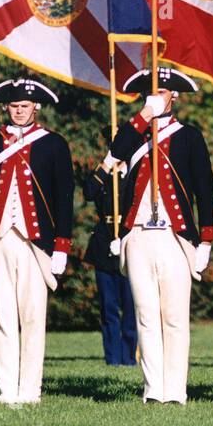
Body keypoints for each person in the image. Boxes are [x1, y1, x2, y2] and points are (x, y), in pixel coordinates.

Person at [0, 76, 74, 405]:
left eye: (25, 106)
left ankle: (30, 390)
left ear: (36, 107)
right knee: (3, 316)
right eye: (14, 106)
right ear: (5, 108)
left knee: (34, 317)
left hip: (36, 243)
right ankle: (7, 389)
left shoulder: (53, 144)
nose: (19, 111)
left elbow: (64, 197)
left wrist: (62, 245)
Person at [110, 67, 213, 405]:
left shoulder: (189, 136)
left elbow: (204, 189)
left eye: (163, 93)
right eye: (151, 93)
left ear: (176, 97)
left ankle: (176, 389)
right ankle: (153, 389)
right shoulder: (135, 133)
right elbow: (115, 152)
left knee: (173, 316)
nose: (157, 97)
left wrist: (207, 239)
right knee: (145, 314)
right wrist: (144, 115)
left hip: (174, 234)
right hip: (139, 234)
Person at [82, 152, 137, 366]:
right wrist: (106, 165)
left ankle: (129, 356)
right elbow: (88, 191)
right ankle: (112, 358)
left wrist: (124, 238)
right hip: (104, 244)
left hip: (128, 242)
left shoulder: (134, 172)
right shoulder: (103, 174)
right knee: (109, 308)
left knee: (131, 308)